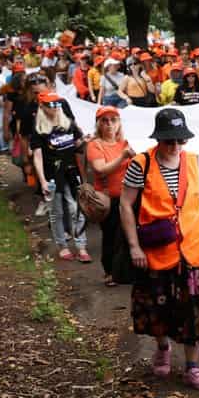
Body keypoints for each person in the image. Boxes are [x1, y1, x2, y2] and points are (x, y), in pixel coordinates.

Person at [119, 108, 199, 391]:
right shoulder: (141, 163)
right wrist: (134, 246)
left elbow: (198, 203)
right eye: (168, 140)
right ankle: (162, 348)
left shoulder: (193, 162)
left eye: (179, 140)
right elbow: (125, 204)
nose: (174, 146)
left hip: (191, 251)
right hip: (157, 250)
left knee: (192, 309)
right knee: (156, 307)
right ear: (158, 139)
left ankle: (192, 367)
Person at [31, 92, 89, 262]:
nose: (55, 107)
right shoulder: (39, 130)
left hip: (71, 172)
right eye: (50, 105)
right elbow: (37, 156)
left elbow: (76, 144)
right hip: (51, 175)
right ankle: (62, 246)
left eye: (57, 104)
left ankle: (81, 245)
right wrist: (42, 181)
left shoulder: (68, 123)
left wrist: (85, 141)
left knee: (76, 208)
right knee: (56, 211)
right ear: (42, 107)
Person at [86, 105, 135, 286]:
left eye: (113, 120)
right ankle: (109, 271)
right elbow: (100, 169)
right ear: (99, 124)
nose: (109, 124)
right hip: (109, 198)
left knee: (128, 234)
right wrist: (123, 157)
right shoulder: (95, 145)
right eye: (105, 121)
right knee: (111, 236)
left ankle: (124, 271)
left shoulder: (126, 143)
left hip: (128, 197)